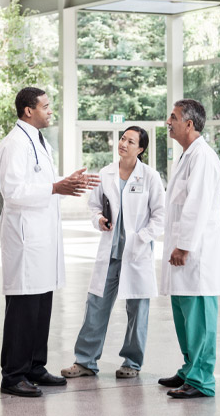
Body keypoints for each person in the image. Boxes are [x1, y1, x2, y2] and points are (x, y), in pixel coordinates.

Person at [0, 87, 99, 398]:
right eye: (45, 106)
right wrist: (57, 187)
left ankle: (34, 367)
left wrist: (65, 184)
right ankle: (13, 375)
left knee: (41, 304)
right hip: (26, 241)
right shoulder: (15, 143)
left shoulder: (38, 141)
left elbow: (40, 183)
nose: (50, 110)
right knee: (23, 308)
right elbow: (13, 191)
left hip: (42, 238)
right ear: (28, 111)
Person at [61, 126, 165, 379]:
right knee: (95, 306)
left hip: (136, 253)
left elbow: (160, 216)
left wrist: (141, 237)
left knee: (137, 311)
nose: (123, 144)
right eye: (122, 138)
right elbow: (94, 206)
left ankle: (132, 362)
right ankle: (85, 361)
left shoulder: (150, 176)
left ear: (140, 149)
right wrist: (99, 220)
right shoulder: (106, 174)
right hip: (110, 253)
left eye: (131, 141)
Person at [158, 99, 220, 399]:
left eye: (172, 117)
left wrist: (183, 247)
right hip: (181, 255)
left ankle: (201, 380)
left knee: (199, 321)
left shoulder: (203, 158)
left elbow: (196, 206)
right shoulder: (186, 156)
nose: (167, 122)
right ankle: (190, 369)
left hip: (195, 257)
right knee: (185, 318)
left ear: (189, 123)